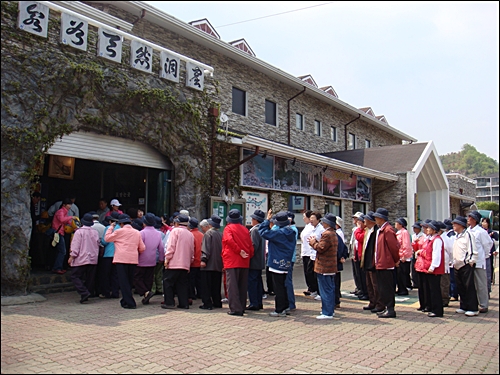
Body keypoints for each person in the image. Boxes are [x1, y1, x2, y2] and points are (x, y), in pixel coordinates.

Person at [258, 210, 296, 317]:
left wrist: (267, 220)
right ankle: (285, 306)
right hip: (286, 262)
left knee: (278, 287)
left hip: (276, 262)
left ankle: (279, 309)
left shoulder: (279, 233)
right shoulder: (291, 232)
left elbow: (263, 232)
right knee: (283, 286)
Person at [104, 214, 145, 309]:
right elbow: (142, 248)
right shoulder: (137, 232)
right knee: (129, 281)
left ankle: (130, 302)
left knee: (123, 282)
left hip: (121, 259)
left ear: (121, 223)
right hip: (133, 259)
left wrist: (111, 227)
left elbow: (107, 238)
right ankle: (125, 301)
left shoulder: (119, 231)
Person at [222, 209, 254, 316]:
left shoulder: (228, 228)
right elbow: (250, 245)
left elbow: (229, 240)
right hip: (244, 261)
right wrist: (248, 254)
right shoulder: (245, 229)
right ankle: (242, 306)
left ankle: (235, 308)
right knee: (242, 285)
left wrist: (239, 251)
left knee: (232, 286)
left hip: (232, 260)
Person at [308, 213, 338, 319]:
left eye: (324, 221)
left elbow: (321, 248)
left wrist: (312, 243)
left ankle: (327, 312)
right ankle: (329, 310)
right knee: (329, 288)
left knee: (325, 290)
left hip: (324, 266)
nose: (322, 223)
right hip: (330, 266)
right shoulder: (333, 233)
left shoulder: (327, 234)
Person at [163, 214, 194, 310]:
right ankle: (184, 303)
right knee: (182, 284)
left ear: (177, 222)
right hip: (185, 263)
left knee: (168, 282)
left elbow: (171, 246)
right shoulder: (190, 234)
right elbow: (192, 250)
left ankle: (169, 302)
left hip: (174, 262)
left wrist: (167, 259)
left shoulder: (175, 231)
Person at [373, 208, 400, 318]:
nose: (375, 219)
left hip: (386, 264)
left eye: (376, 217)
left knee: (387, 288)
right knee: (382, 288)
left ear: (381, 218)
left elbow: (394, 247)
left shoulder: (388, 230)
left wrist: (395, 260)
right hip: (380, 263)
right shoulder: (381, 230)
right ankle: (385, 308)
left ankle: (390, 309)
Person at [68, 213, 100, 303]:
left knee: (75, 276)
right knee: (90, 278)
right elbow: (97, 244)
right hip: (93, 258)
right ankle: (87, 293)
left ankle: (83, 292)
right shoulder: (95, 232)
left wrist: (72, 256)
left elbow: (75, 246)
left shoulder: (79, 232)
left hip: (81, 258)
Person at [415, 220, 445, 317]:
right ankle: (432, 307)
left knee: (435, 289)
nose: (427, 229)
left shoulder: (437, 240)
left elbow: (436, 255)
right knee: (430, 289)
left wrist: (432, 267)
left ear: (434, 230)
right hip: (429, 268)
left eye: (429, 228)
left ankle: (437, 310)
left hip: (434, 269)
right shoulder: (431, 239)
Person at [452, 216, 479, 317]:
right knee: (460, 286)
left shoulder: (468, 235)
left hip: (466, 264)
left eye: (455, 224)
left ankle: (473, 308)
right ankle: (464, 306)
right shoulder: (456, 235)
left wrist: (470, 261)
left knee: (469, 286)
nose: (453, 226)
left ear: (461, 225)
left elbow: (472, 249)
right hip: (456, 264)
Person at [467, 211, 493, 313]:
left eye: (470, 217)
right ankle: (474, 303)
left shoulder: (481, 232)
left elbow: (488, 244)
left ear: (475, 220)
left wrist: (484, 256)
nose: (468, 219)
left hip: (479, 261)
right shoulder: (468, 231)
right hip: (469, 262)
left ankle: (483, 304)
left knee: (481, 284)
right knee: (472, 284)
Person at [135, 213, 163, 305]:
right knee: (148, 278)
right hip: (152, 260)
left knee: (137, 277)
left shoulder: (141, 233)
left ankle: (145, 292)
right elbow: (161, 248)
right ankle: (146, 296)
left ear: (144, 223)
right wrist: (161, 259)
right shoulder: (158, 233)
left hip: (141, 260)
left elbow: (138, 246)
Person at [360, 212, 384, 313]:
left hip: (374, 261)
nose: (364, 221)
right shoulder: (367, 231)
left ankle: (379, 304)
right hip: (367, 260)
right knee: (369, 284)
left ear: (370, 221)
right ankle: (372, 302)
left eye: (365, 219)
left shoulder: (377, 231)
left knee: (376, 284)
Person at [199, 215, 223, 310]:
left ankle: (207, 303)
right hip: (218, 263)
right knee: (216, 285)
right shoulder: (221, 234)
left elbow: (206, 248)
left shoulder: (208, 234)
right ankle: (217, 302)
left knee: (206, 285)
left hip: (209, 264)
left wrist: (203, 259)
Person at [51, 198, 78, 274]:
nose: (70, 206)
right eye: (68, 204)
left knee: (60, 250)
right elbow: (62, 220)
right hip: (58, 233)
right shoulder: (60, 212)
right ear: (64, 205)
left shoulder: (65, 212)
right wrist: (71, 217)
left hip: (60, 233)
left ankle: (58, 267)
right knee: (62, 251)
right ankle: (57, 267)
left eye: (70, 204)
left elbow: (67, 222)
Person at [247, 209, 266, 311]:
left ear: (255, 220)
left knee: (252, 282)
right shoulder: (262, 229)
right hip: (260, 260)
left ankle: (254, 303)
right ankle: (258, 302)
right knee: (258, 282)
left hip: (254, 261)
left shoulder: (255, 230)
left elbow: (253, 245)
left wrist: (248, 257)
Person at [98, 212, 120, 299]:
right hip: (117, 254)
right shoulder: (121, 229)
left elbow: (104, 241)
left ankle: (106, 293)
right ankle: (115, 292)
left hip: (108, 255)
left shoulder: (108, 228)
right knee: (115, 275)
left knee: (106, 275)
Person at [308, 211, 325, 300]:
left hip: (317, 254)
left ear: (318, 220)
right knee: (312, 274)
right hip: (312, 254)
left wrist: (314, 242)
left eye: (313, 218)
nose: (311, 220)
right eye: (310, 218)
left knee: (318, 275)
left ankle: (320, 292)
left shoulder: (321, 229)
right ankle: (315, 290)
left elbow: (322, 243)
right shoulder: (313, 228)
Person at [481, 217, 498, 295]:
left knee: (489, 269)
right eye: (483, 222)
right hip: (481, 255)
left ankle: (488, 286)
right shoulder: (480, 232)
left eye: (485, 222)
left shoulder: (491, 232)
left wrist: (495, 251)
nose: (484, 223)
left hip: (489, 253)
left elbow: (496, 239)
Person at [188, 217, 204, 303]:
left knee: (191, 280)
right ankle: (200, 293)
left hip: (192, 261)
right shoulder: (202, 235)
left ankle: (191, 294)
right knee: (199, 279)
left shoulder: (190, 235)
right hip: (200, 260)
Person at [300, 210, 316, 297]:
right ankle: (310, 288)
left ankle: (313, 288)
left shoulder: (312, 227)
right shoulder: (306, 227)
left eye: (304, 217)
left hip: (310, 252)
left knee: (310, 272)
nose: (303, 218)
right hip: (304, 252)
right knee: (306, 271)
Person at [285, 211, 299, 312]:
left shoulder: (292, 229)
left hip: (289, 258)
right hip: (289, 258)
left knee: (287, 281)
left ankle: (291, 303)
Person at [395, 218, 412, 296]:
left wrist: (404, 255)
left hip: (403, 257)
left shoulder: (404, 232)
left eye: (397, 222)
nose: (395, 224)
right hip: (399, 255)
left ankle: (403, 289)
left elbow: (406, 244)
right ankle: (400, 288)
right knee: (399, 274)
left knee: (402, 273)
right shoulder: (399, 232)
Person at [353, 214, 369, 300]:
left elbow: (359, 237)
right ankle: (362, 290)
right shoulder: (361, 230)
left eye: (360, 221)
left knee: (364, 276)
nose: (358, 223)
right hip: (358, 255)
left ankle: (366, 292)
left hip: (363, 256)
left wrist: (358, 229)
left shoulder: (365, 231)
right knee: (359, 275)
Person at [350, 212, 364, 296]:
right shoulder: (355, 229)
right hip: (355, 253)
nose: (355, 220)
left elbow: (359, 239)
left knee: (360, 273)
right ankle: (358, 287)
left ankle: (361, 288)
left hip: (359, 254)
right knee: (356, 273)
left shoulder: (361, 230)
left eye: (357, 219)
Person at [443, 219, 458, 301]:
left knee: (452, 279)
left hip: (450, 261)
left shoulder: (451, 235)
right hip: (449, 261)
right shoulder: (448, 234)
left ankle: (454, 294)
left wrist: (451, 260)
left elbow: (451, 248)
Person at [411, 222, 425, 290]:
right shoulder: (413, 236)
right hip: (414, 252)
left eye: (416, 228)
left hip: (420, 253)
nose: (414, 229)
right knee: (413, 268)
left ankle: (418, 283)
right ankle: (415, 282)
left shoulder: (422, 235)